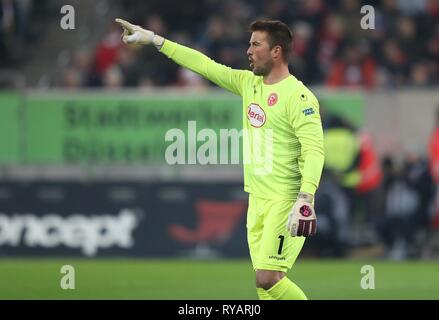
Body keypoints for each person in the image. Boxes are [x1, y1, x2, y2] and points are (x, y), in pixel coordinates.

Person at [115, 18, 325, 300]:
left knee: (268, 278)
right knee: (266, 287)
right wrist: (155, 40)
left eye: (255, 44)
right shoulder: (249, 84)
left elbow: (314, 150)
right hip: (257, 199)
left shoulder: (300, 98)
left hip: (286, 200)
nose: (248, 51)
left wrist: (306, 197)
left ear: (276, 51)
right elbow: (205, 65)